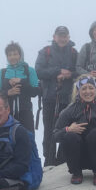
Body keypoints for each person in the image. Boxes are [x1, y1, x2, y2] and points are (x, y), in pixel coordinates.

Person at [53, 76, 96, 186]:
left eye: (91, 88)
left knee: (95, 134)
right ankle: (76, 173)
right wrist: (68, 129)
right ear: (78, 91)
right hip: (77, 157)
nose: (87, 91)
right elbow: (55, 135)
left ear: (95, 89)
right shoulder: (69, 111)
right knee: (70, 136)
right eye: (84, 88)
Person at [35, 26, 78, 166]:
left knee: (65, 128)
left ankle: (62, 160)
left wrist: (69, 74)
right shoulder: (45, 52)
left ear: (68, 37)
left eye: (65, 35)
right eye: (60, 35)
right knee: (49, 129)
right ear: (54, 37)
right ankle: (49, 160)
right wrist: (58, 72)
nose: (62, 38)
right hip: (49, 97)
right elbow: (39, 71)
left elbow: (79, 71)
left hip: (68, 98)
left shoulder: (73, 52)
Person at [0, 41, 41, 133]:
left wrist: (21, 82)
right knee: (6, 143)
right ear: (7, 57)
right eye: (10, 55)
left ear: (20, 55)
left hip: (26, 113)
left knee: (28, 142)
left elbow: (36, 91)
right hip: (6, 114)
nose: (12, 57)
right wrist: (8, 93)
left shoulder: (29, 71)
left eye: (15, 54)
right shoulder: (2, 72)